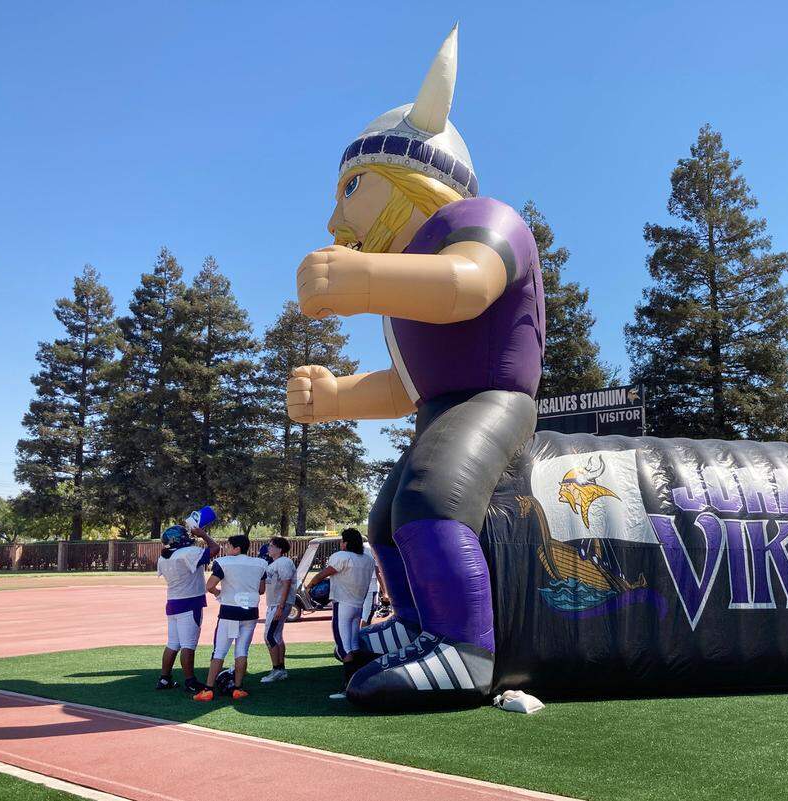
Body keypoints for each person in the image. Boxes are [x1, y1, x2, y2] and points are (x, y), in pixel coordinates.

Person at [285, 26, 542, 708]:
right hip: (438, 408)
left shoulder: (485, 221)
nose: (336, 218)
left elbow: (471, 284)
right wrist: (337, 394)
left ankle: (465, 648)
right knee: (383, 520)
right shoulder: (402, 297)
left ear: (406, 177)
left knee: (431, 498)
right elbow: (405, 385)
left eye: (352, 189)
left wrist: (366, 277)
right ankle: (418, 621)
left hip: (493, 399)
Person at [194, 535, 266, 701]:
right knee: (242, 651)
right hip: (250, 612)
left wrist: (219, 593)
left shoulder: (225, 562)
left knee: (220, 650)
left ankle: (208, 689)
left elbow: (210, 586)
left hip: (230, 612)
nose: (226, 549)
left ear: (237, 548)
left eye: (229, 546)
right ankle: (238, 688)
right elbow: (261, 590)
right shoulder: (260, 564)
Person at [306, 528, 375, 697]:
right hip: (358, 605)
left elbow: (323, 574)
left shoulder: (342, 557)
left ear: (346, 542)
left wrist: (309, 585)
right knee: (354, 645)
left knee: (344, 648)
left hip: (343, 605)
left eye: (342, 541)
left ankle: (349, 688)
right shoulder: (367, 559)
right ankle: (360, 683)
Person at [156, 524, 219, 691]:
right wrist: (202, 534)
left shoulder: (164, 557)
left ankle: (164, 679)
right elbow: (215, 549)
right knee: (188, 645)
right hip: (190, 602)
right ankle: (190, 682)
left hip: (173, 602)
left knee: (172, 643)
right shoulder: (187, 552)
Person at [261, 536, 297, 683]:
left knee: (269, 636)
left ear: (279, 549)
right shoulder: (275, 563)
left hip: (278, 604)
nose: (269, 548)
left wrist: (281, 606)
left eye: (271, 546)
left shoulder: (283, 562)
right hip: (275, 603)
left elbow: (286, 583)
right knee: (276, 636)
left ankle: (277, 669)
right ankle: (281, 669)